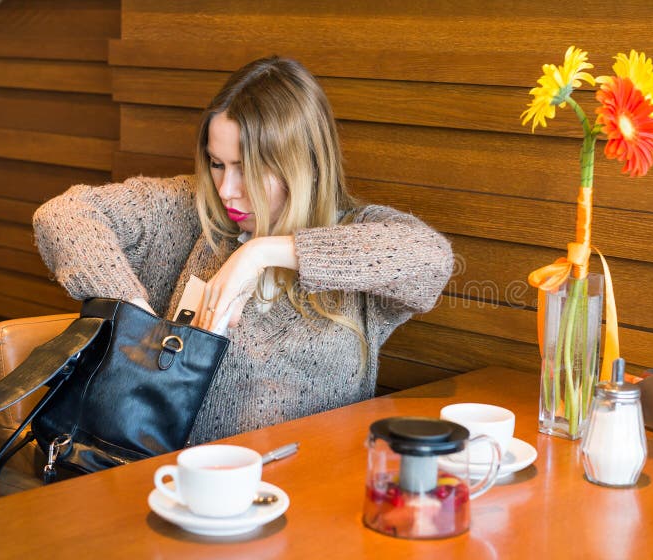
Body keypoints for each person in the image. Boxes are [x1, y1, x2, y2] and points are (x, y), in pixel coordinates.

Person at [33, 56, 453, 444]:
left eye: (248, 168)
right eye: (217, 164)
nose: (227, 191)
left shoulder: (357, 237)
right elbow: (63, 215)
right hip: (189, 495)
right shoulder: (189, 213)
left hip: (320, 495)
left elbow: (431, 260)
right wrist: (135, 317)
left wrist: (260, 253)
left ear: (301, 162)